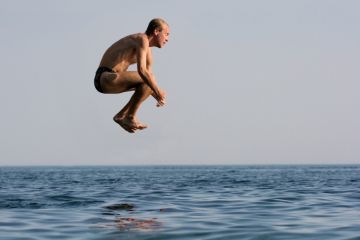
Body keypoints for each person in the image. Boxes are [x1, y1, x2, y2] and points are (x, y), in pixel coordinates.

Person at [94, 18, 170, 133]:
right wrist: (158, 92)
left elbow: (148, 78)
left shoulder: (147, 50)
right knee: (150, 79)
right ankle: (130, 117)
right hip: (105, 77)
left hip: (111, 80)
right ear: (156, 31)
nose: (167, 39)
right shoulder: (141, 39)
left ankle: (121, 116)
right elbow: (142, 71)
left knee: (149, 82)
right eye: (166, 34)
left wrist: (156, 93)